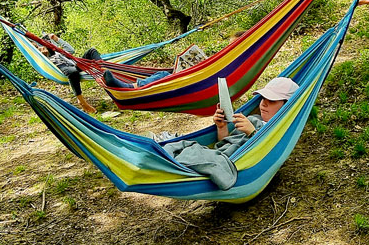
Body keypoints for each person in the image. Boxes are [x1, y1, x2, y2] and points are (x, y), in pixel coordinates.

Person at [160, 77, 299, 190]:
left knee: (189, 153)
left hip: (229, 166)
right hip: (219, 156)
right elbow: (226, 144)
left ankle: (166, 156)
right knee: (184, 147)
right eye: (263, 99)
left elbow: (267, 153)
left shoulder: (279, 130)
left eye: (272, 101)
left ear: (287, 105)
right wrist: (222, 127)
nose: (263, 104)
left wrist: (253, 133)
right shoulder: (253, 119)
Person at [38, 33, 98, 113]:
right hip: (64, 69)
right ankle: (82, 102)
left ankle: (105, 70)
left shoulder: (58, 53)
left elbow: (71, 50)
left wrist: (57, 39)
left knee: (92, 51)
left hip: (76, 64)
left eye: (41, 46)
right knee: (73, 72)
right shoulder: (46, 61)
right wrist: (42, 54)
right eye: (38, 48)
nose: (41, 48)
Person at [101, 44, 207, 89]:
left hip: (192, 82)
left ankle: (130, 87)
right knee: (161, 74)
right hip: (187, 78)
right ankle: (132, 85)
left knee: (164, 75)